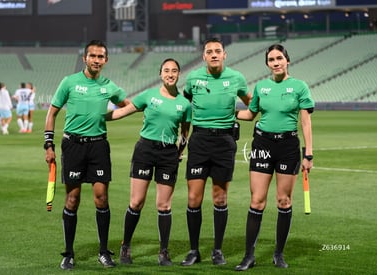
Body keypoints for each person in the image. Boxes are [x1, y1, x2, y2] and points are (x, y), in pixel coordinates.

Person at [44, 39, 130, 270]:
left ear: (106, 60)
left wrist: (105, 116)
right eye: (93, 56)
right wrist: (48, 145)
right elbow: (52, 113)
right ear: (85, 58)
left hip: (99, 146)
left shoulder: (109, 86)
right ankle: (69, 253)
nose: (97, 60)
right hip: (73, 146)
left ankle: (104, 252)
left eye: (101, 57)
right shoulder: (69, 82)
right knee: (72, 199)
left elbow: (127, 106)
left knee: (101, 198)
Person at [234, 44, 314, 271]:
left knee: (283, 201)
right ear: (267, 64)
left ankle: (278, 254)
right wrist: (225, 111)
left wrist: (308, 153)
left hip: (288, 146)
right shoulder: (261, 87)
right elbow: (250, 114)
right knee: (257, 201)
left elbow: (306, 122)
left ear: (287, 60)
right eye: (271, 59)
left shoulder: (299, 86)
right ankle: (249, 256)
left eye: (279, 58)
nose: (276, 62)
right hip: (263, 144)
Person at [106, 58, 191, 266]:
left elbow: (185, 132)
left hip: (168, 154)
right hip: (145, 150)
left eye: (174, 71)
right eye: (166, 71)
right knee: (136, 202)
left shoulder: (185, 104)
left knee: (164, 205)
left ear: (179, 74)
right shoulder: (148, 96)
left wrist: (179, 151)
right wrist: (96, 117)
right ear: (160, 74)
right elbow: (122, 111)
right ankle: (125, 246)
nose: (170, 74)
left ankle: (163, 252)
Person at [180, 37, 252, 266]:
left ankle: (217, 250)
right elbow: (184, 108)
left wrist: (232, 116)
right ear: (203, 56)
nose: (213, 54)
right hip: (199, 140)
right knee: (193, 198)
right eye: (209, 51)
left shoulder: (236, 78)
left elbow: (252, 105)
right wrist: (182, 138)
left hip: (224, 141)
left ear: (224, 55)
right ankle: (193, 250)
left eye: (217, 51)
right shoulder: (193, 78)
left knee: (220, 198)